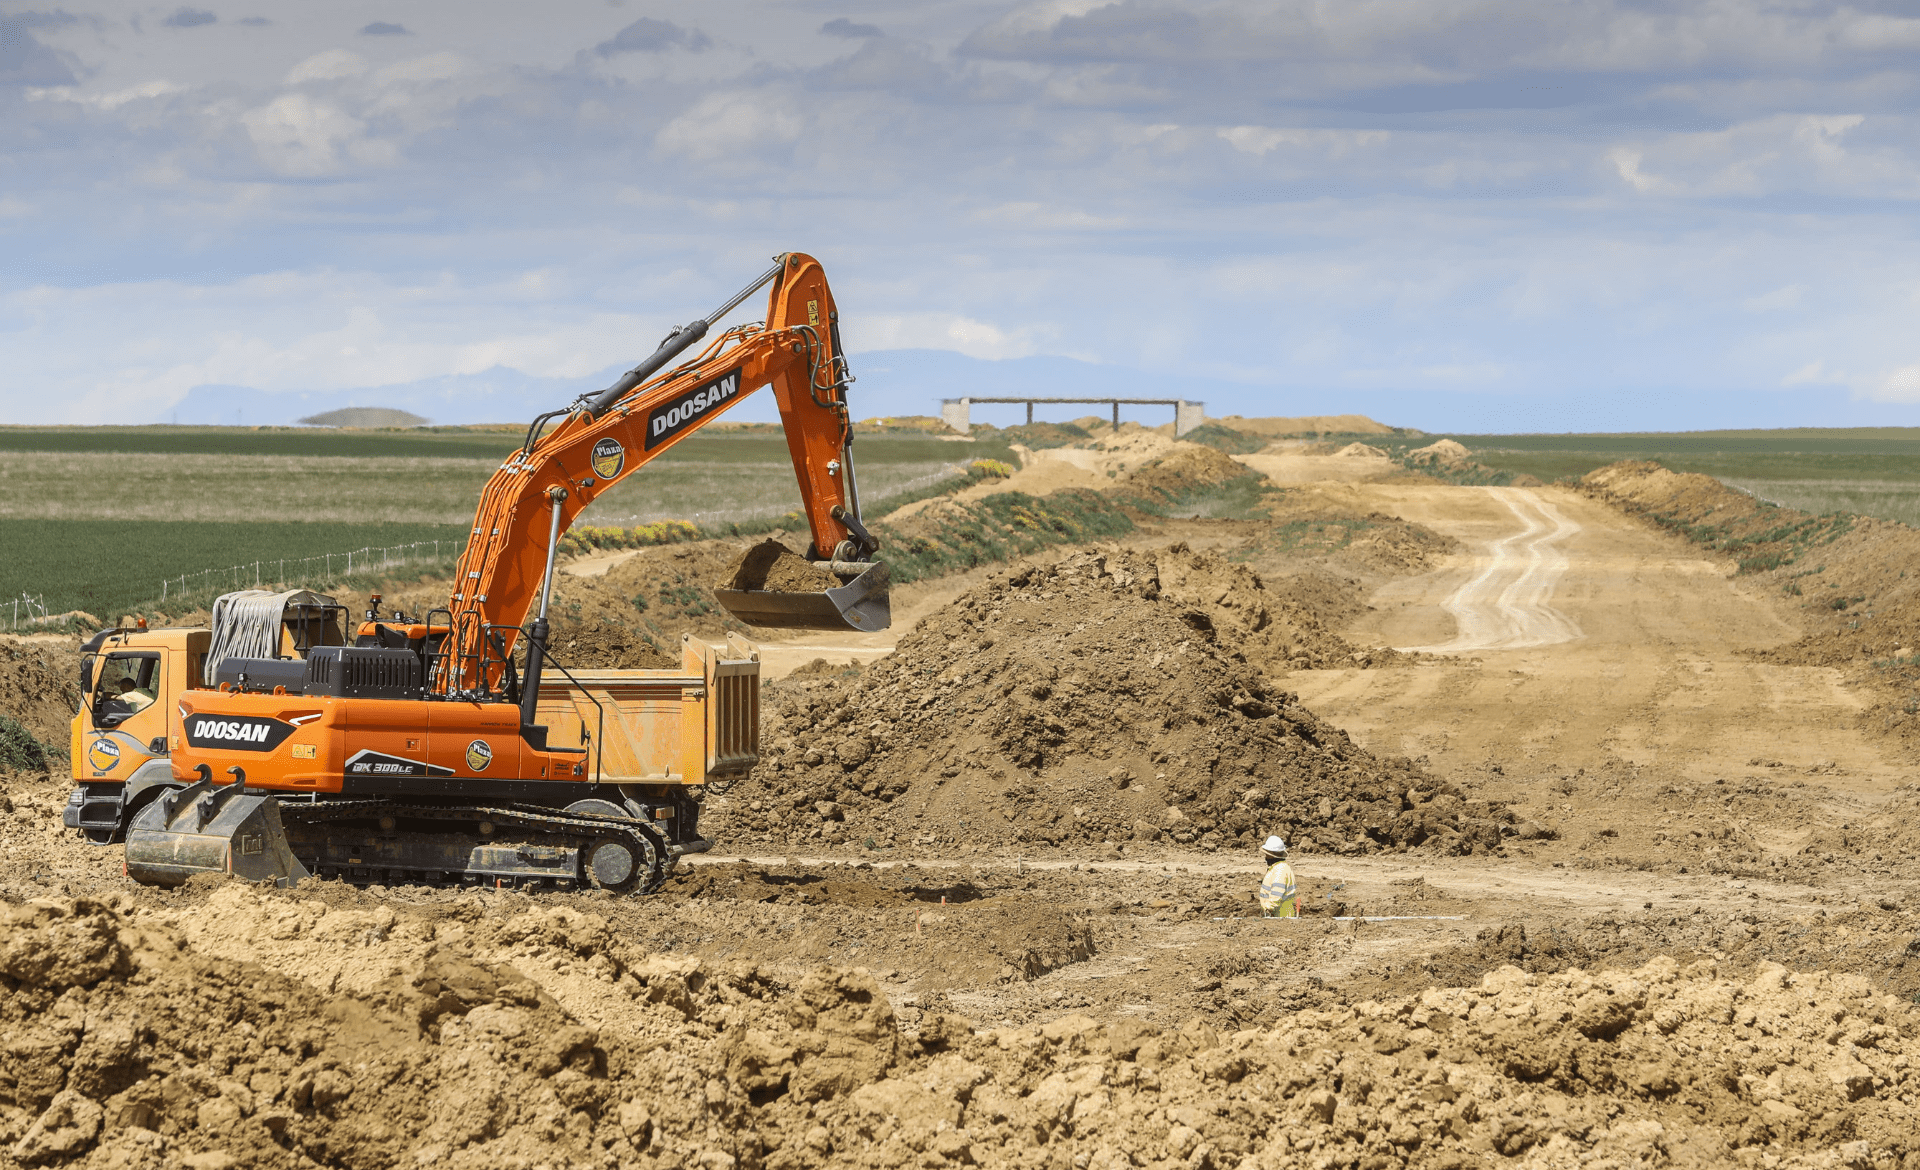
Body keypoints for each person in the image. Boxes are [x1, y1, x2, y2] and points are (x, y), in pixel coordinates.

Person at [1257, 835, 1296, 918]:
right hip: (1280, 914)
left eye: (1267, 854)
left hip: (1281, 916)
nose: (1266, 857)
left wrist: (1268, 909)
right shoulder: (1277, 867)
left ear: (1272, 854)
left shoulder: (1280, 870)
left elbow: (1276, 895)